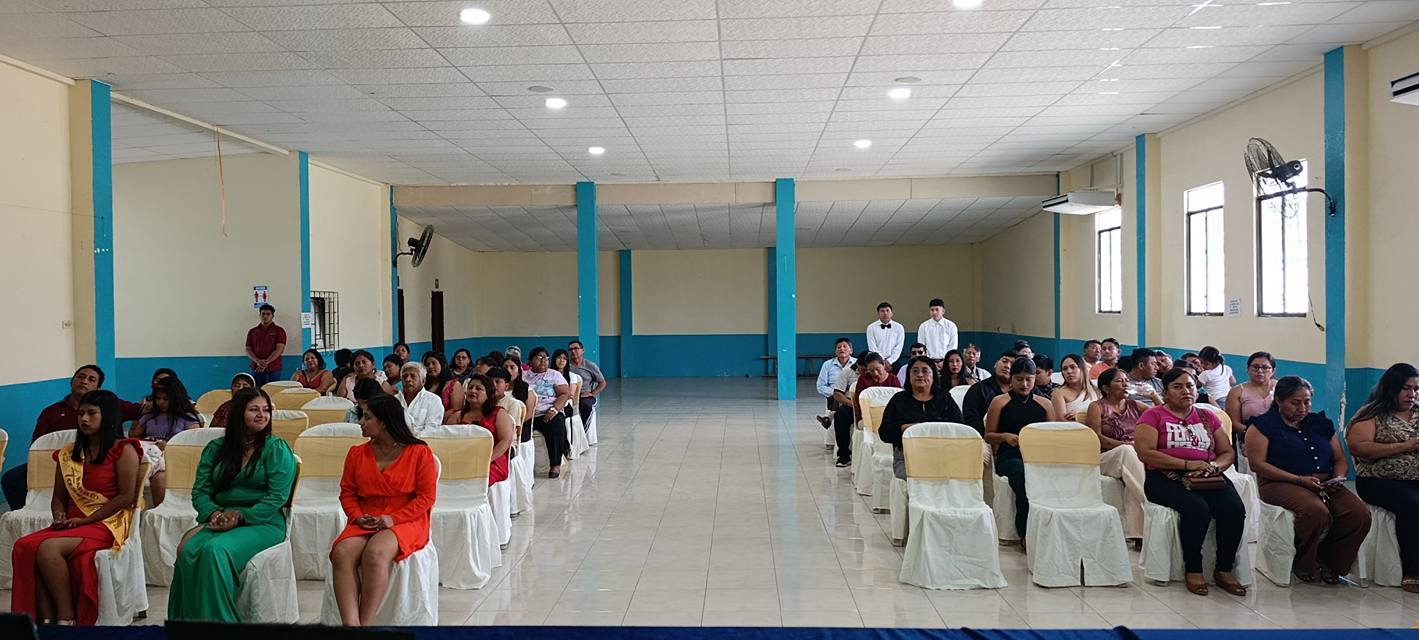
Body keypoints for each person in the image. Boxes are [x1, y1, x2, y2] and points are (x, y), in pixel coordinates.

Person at [10, 390, 141, 625]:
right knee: (23, 546)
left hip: (107, 523)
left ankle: (66, 616)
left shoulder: (124, 449)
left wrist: (87, 521)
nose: (84, 419)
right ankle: (45, 619)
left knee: (48, 549)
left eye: (91, 413)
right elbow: (59, 497)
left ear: (108, 416)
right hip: (74, 523)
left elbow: (126, 497)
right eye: (81, 414)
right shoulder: (69, 453)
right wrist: (59, 515)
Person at [167, 387, 297, 622]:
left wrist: (240, 517)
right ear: (238, 413)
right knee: (187, 551)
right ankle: (188, 623)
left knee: (215, 551)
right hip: (220, 517)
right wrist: (214, 514)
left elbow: (277, 497)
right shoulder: (216, 449)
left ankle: (222, 625)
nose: (262, 415)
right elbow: (200, 491)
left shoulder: (276, 448)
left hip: (263, 521)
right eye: (254, 409)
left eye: (266, 410)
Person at [1134, 368, 1246, 597]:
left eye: (1190, 386)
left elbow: (1227, 452)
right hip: (1164, 476)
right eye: (1177, 387)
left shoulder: (1207, 416)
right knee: (1197, 508)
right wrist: (1187, 465)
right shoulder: (1153, 416)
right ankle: (1193, 568)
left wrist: (1214, 467)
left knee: (1234, 509)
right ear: (1165, 393)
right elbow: (1145, 453)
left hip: (1206, 475)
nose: (1186, 391)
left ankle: (1224, 569)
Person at [1247, 376, 1370, 584]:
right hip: (1280, 482)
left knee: (1359, 513)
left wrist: (1338, 477)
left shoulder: (1320, 424)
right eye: (1295, 403)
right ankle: (1304, 561)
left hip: (1325, 483)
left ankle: (1332, 561)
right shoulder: (1262, 426)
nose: (1302, 408)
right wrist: (1299, 480)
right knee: (1315, 511)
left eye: (1307, 402)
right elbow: (1258, 464)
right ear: (1279, 400)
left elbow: (1339, 459)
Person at [330, 393, 436, 627]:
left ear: (385, 422)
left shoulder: (419, 452)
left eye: (367, 417)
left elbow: (426, 498)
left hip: (406, 517)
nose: (361, 422)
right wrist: (358, 517)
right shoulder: (356, 453)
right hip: (366, 516)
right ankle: (351, 625)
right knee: (342, 552)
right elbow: (347, 493)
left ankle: (366, 624)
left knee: (376, 553)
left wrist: (393, 518)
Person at [3, 366, 142, 510]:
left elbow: (145, 410)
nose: (84, 381)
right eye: (80, 377)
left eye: (91, 379)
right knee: (12, 478)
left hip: (96, 462)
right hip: (55, 462)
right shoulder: (51, 412)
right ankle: (28, 511)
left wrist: (141, 429)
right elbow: (36, 445)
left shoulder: (112, 406)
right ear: (72, 381)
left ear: (98, 388)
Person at [1345, 363, 1419, 593]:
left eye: (1416, 389)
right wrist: (1406, 446)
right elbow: (1359, 447)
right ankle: (1413, 571)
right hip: (1379, 481)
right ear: (1391, 388)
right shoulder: (1371, 414)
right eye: (1406, 388)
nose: (1412, 394)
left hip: (1415, 480)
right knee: (1413, 505)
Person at [986, 357, 1057, 544]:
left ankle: (1052, 527)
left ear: (1035, 379)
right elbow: (988, 435)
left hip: (1038, 455)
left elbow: (1053, 435)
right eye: (1019, 379)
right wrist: (1004, 437)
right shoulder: (999, 402)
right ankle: (1025, 531)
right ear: (1011, 379)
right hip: (1010, 456)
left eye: (1028, 379)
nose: (1024, 384)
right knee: (1024, 474)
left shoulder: (1045, 404)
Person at [1085, 368, 1147, 539]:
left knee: (1131, 474)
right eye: (1120, 381)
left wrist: (1153, 396)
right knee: (1127, 451)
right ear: (1106, 388)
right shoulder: (1096, 407)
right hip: (1105, 457)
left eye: (1127, 380)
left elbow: (1161, 414)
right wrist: (1126, 445)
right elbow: (1097, 438)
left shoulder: (1135, 405)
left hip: (1133, 457)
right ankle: (1150, 499)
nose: (1126, 384)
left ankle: (1139, 534)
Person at [878, 356, 963, 480]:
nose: (920, 375)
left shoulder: (944, 398)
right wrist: (903, 428)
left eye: (925, 371)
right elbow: (884, 433)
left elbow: (960, 428)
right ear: (909, 375)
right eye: (915, 371)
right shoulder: (899, 400)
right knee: (917, 481)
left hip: (942, 453)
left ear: (934, 375)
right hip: (907, 455)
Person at [131, 376, 201, 506]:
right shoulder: (150, 416)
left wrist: (169, 446)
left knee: (159, 480)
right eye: (158, 398)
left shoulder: (187, 418)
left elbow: (194, 446)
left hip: (175, 461)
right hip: (151, 456)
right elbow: (133, 435)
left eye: (165, 399)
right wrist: (142, 412)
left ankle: (161, 512)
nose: (160, 402)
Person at [443, 374, 514, 486]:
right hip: (462, 459)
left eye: (478, 388)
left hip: (491, 461)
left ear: (489, 393)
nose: (473, 391)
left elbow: (505, 441)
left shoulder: (499, 413)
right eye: (470, 387)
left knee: (475, 481)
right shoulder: (458, 416)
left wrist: (486, 460)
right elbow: (446, 440)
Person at [523, 347, 572, 478]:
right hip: (528, 413)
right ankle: (523, 465)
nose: (543, 360)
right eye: (539, 357)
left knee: (556, 425)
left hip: (548, 411)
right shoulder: (523, 376)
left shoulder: (554, 375)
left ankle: (555, 465)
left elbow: (564, 393)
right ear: (530, 361)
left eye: (546, 358)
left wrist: (554, 409)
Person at [962, 351, 1017, 434]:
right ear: (995, 364)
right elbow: (971, 421)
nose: (1007, 366)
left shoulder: (1022, 391)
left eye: (1012, 364)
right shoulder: (978, 389)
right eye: (1004, 361)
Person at [1226, 351, 1277, 429]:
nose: (1260, 371)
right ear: (1248, 369)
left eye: (1265, 367)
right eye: (1255, 367)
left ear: (1273, 371)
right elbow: (1234, 422)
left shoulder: (1282, 387)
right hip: (1248, 432)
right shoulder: (1237, 392)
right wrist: (1252, 434)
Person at [815, 338, 856, 430]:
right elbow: (820, 386)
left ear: (851, 350)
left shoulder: (857, 364)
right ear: (835, 351)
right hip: (833, 396)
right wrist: (836, 392)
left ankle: (828, 418)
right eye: (839, 347)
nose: (842, 349)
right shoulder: (827, 365)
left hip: (851, 395)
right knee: (837, 395)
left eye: (845, 346)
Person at [396, 362, 444, 434]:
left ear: (423, 381)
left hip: (422, 440)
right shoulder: (393, 400)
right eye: (404, 376)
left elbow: (432, 429)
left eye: (413, 376)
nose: (408, 379)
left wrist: (410, 438)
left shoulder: (433, 400)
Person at [244, 304, 287, 386]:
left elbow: (279, 349)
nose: (265, 316)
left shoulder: (279, 331)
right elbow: (248, 349)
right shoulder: (252, 331)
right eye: (263, 314)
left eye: (268, 314)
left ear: (272, 316)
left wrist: (265, 363)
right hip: (256, 368)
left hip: (273, 369)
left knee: (272, 390)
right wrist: (258, 361)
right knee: (257, 390)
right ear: (259, 315)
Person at [567, 340, 607, 427]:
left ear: (582, 350)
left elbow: (602, 382)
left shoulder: (590, 365)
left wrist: (592, 393)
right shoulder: (566, 366)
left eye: (576, 348)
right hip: (568, 394)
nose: (573, 351)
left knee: (586, 405)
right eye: (571, 349)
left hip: (583, 395)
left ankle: (584, 429)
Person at [831, 357, 861, 468]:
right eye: (861, 369)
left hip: (872, 406)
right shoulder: (847, 372)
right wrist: (854, 405)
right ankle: (844, 454)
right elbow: (837, 394)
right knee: (841, 415)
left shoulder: (876, 373)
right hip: (851, 404)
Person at [1052, 354, 1101, 421]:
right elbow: (1061, 421)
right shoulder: (1058, 393)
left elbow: (1104, 415)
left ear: (1082, 369)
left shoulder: (1097, 390)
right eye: (1065, 369)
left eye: (1073, 367)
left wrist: (1081, 416)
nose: (1069, 371)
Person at [916, 298, 958, 364]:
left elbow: (953, 346)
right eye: (932, 310)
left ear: (943, 311)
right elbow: (921, 346)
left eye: (937, 310)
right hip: (928, 362)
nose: (934, 312)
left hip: (946, 361)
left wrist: (945, 361)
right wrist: (928, 362)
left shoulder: (951, 326)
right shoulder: (923, 326)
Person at [865, 302, 905, 367]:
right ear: (878, 313)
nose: (885, 313)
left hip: (894, 361)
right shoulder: (871, 328)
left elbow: (899, 347)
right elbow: (872, 347)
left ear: (892, 313)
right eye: (882, 311)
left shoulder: (899, 327)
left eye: (887, 310)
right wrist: (881, 361)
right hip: (877, 361)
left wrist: (889, 361)